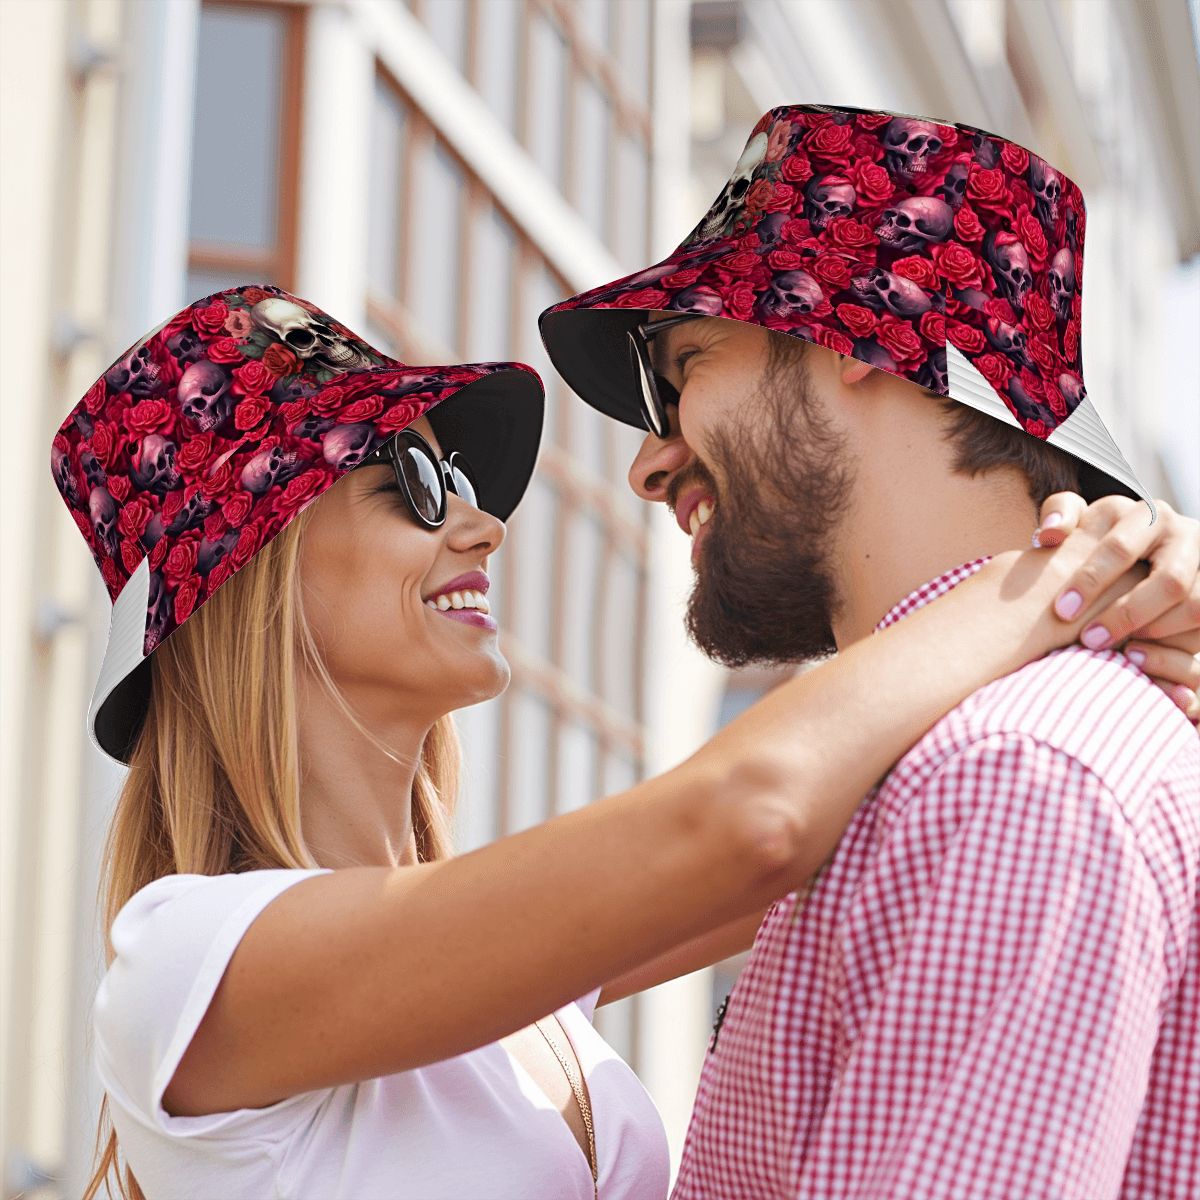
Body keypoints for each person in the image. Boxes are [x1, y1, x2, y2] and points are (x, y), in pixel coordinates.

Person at [60, 287, 1195, 1200]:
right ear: (248, 577)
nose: (483, 524)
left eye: (459, 481)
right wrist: (1062, 575)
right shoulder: (183, 964)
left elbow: (887, 810)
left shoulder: (514, 982)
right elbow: (754, 816)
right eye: (410, 483)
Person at [538, 103, 1200, 1199]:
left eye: (687, 364)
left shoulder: (1007, 779)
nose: (649, 466)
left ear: (866, 339)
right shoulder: (936, 767)